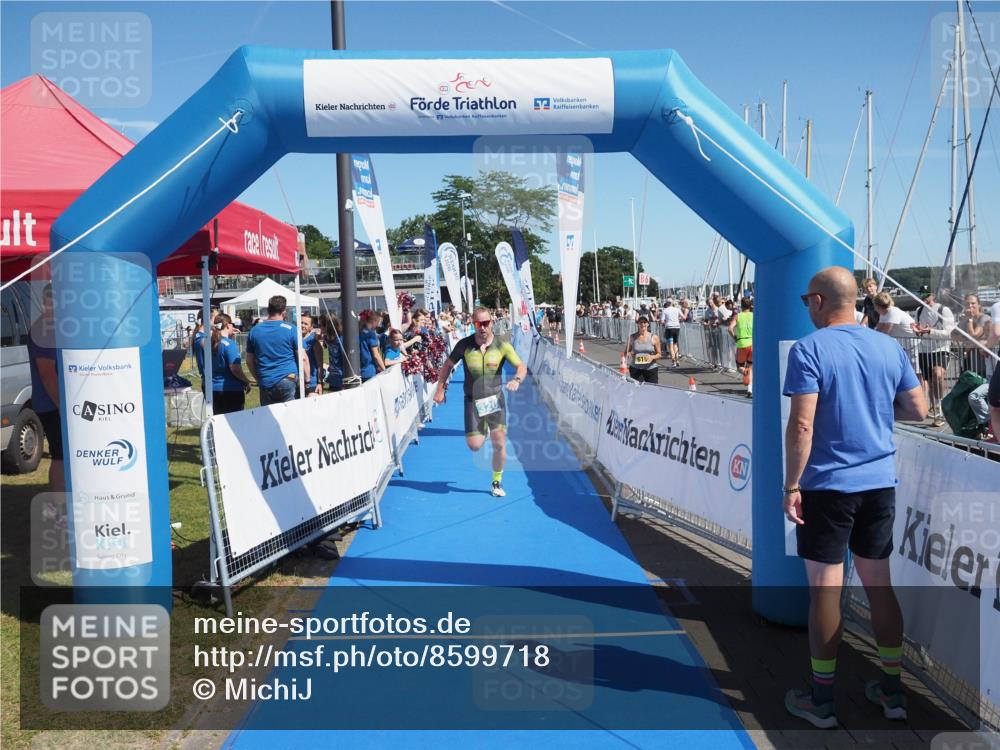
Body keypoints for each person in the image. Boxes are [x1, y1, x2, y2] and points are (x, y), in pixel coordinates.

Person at [782, 266, 927, 729]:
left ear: (820, 302)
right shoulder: (888, 345)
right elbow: (919, 410)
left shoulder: (810, 349)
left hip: (828, 486)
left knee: (825, 590)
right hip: (879, 482)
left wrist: (791, 485)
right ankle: (892, 693)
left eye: (807, 300)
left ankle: (821, 701)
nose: (806, 308)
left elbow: (802, 425)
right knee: (878, 586)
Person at [433, 307, 527, 497]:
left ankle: (496, 481)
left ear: (492, 323)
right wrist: (440, 389)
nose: (482, 327)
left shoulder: (502, 345)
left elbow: (521, 366)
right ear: (473, 324)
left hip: (495, 399)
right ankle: (482, 427)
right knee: (475, 445)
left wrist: (516, 380)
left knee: (499, 443)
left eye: (486, 323)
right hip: (472, 400)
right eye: (478, 324)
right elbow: (447, 365)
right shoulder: (464, 345)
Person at [27, 284, 63, 494]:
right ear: (46, 303)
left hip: (56, 404)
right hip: (51, 405)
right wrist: (62, 406)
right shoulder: (44, 330)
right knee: (61, 455)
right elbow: (47, 373)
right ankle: (60, 508)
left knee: (65, 455)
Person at [246, 295, 309, 405]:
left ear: (268, 309)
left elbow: (249, 361)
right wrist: (307, 381)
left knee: (269, 419)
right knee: (290, 416)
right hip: (287, 379)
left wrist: (258, 379)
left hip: (266, 381)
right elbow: (303, 358)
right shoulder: (292, 330)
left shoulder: (254, 331)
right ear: (284, 311)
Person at [913, 288, 954, 427]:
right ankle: (936, 409)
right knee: (930, 381)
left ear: (933, 296)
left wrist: (931, 331)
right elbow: (917, 330)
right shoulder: (919, 310)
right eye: (921, 294)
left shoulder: (944, 310)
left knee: (938, 374)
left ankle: (942, 405)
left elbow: (950, 333)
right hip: (924, 350)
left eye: (926, 294)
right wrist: (916, 330)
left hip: (941, 348)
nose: (923, 297)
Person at [208, 313, 252, 414]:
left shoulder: (212, 342)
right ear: (228, 325)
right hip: (231, 390)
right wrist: (246, 381)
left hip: (214, 389)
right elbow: (234, 368)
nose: (233, 327)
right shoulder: (229, 344)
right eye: (232, 324)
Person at [953, 294, 992, 376]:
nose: (970, 306)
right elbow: (953, 334)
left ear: (979, 305)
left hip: (982, 363)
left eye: (973, 303)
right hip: (968, 362)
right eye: (967, 303)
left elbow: (974, 335)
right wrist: (965, 339)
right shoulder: (965, 319)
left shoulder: (984, 318)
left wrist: (970, 320)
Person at [624, 316, 662, 384]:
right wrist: (629, 354)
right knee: (637, 391)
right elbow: (626, 352)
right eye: (640, 322)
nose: (643, 324)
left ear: (648, 324)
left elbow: (659, 354)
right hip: (636, 368)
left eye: (645, 322)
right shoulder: (632, 337)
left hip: (650, 368)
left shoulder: (654, 337)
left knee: (652, 390)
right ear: (637, 324)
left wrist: (652, 357)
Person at [728, 296, 754, 395]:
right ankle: (750, 389)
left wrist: (734, 337)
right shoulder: (754, 315)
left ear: (741, 306)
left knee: (740, 367)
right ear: (750, 306)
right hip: (752, 343)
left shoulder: (738, 316)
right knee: (750, 366)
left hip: (742, 343)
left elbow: (730, 328)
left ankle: (745, 373)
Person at [358, 309, 386, 382]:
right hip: (369, 371)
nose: (379, 325)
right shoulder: (371, 334)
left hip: (358, 370)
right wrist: (384, 369)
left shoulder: (359, 331)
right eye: (379, 322)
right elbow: (376, 355)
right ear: (374, 321)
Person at [300, 314, 323, 397]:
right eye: (301, 322)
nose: (302, 325)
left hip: (313, 383)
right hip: (299, 382)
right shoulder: (295, 339)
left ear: (311, 327)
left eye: (305, 324)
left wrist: (319, 383)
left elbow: (319, 364)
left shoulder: (314, 342)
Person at [320, 313, 344, 392]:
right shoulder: (327, 338)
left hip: (342, 378)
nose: (319, 328)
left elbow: (346, 359)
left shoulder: (340, 339)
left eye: (320, 325)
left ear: (327, 327)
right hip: (333, 378)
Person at [660, 301, 681, 367]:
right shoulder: (677, 309)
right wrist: (677, 320)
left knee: (670, 346)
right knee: (675, 344)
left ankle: (673, 361)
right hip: (677, 327)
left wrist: (664, 323)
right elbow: (684, 317)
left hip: (669, 328)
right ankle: (677, 360)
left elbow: (662, 321)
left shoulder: (665, 310)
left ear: (666, 306)